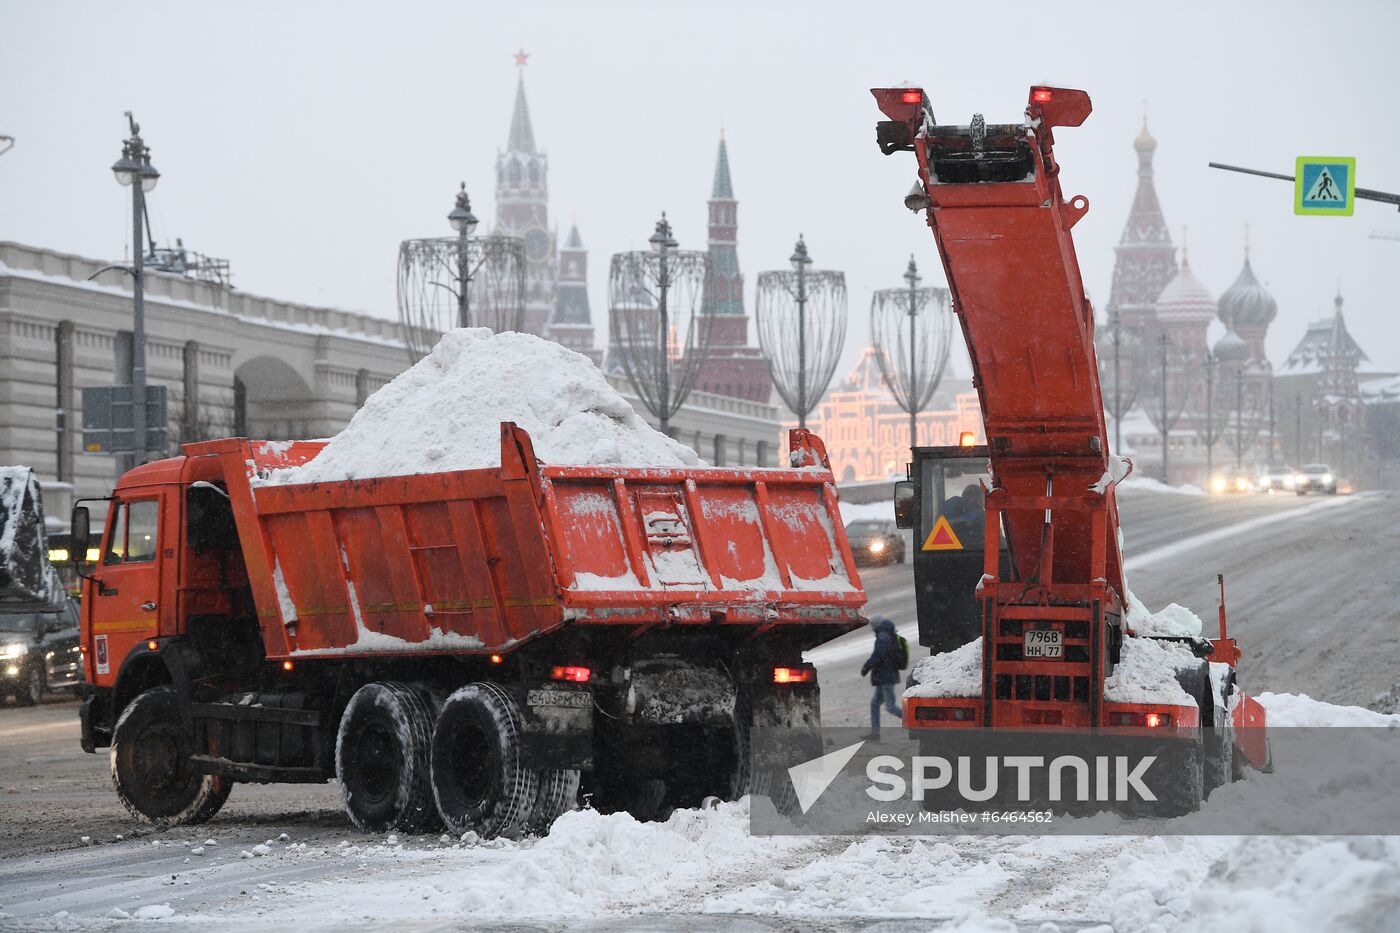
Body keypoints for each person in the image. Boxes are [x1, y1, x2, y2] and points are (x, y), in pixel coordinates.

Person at [861, 617, 902, 733]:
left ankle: (914, 721)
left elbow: (877, 656)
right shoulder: (887, 634)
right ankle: (875, 733)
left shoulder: (883, 637)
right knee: (874, 704)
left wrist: (866, 667)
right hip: (884, 676)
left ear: (876, 626)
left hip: (886, 677)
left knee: (890, 706)